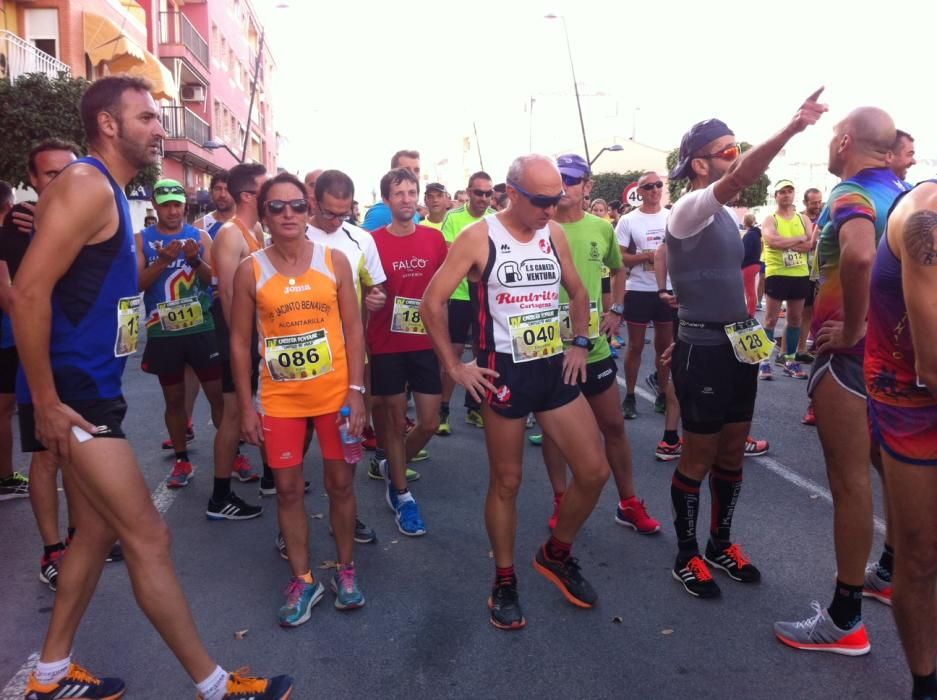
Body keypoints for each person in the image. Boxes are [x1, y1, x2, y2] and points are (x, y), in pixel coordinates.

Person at [13, 74, 291, 700]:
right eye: (145, 118)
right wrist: (48, 403)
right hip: (75, 395)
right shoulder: (85, 184)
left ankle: (50, 674)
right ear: (108, 124)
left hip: (90, 387)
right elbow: (28, 291)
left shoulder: (108, 189)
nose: (159, 128)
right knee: (149, 535)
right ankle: (216, 686)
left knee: (94, 534)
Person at [421, 154, 611, 631]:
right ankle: (504, 580)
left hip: (551, 363)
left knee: (594, 471)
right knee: (507, 482)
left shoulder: (554, 234)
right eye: (543, 200)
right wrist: (454, 366)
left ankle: (556, 553)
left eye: (558, 198)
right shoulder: (478, 237)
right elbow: (432, 301)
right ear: (513, 193)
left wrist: (582, 344)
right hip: (503, 371)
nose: (552, 207)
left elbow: (579, 293)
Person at [665, 89, 826, 600]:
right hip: (706, 351)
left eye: (738, 148)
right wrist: (791, 129)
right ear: (699, 163)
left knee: (732, 454)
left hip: (737, 346)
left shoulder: (730, 216)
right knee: (698, 456)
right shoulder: (690, 207)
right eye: (728, 150)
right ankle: (686, 554)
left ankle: (720, 544)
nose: (736, 158)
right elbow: (740, 179)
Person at [774, 106, 907, 655]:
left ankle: (845, 618)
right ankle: (890, 573)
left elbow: (857, 254)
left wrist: (852, 328)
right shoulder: (907, 193)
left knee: (850, 482)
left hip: (853, 360)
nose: (829, 148)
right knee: (890, 470)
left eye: (832, 139)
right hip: (899, 357)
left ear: (846, 141)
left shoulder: (849, 193)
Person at [232, 172, 367, 622]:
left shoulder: (335, 262)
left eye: (296, 206)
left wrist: (358, 392)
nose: (288, 214)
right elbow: (238, 343)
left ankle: (345, 570)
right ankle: (304, 579)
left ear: (308, 211)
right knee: (288, 491)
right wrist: (245, 405)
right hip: (280, 401)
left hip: (335, 397)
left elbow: (353, 330)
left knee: (341, 485)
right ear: (264, 214)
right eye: (276, 207)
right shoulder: (249, 268)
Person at [539, 154, 660, 535]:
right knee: (554, 434)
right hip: (548, 348)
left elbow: (618, 268)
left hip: (592, 346)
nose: (563, 188)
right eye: (557, 181)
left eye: (571, 181)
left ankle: (628, 502)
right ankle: (562, 498)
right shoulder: (537, 226)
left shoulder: (600, 227)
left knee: (613, 426)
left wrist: (618, 310)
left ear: (587, 186)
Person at [864, 181, 937, 698]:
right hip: (911, 395)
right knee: (921, 552)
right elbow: (932, 364)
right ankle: (926, 683)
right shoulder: (925, 221)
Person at [0, 140, 82, 592]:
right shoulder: (16, 226)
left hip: (82, 360)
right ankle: (52, 551)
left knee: (80, 453)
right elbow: (12, 297)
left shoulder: (82, 220)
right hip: (38, 359)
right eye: (50, 174)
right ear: (32, 180)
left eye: (68, 173)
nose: (60, 181)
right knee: (47, 454)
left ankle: (79, 538)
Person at [306, 170, 387, 539]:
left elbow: (377, 289)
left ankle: (347, 513)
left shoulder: (361, 239)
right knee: (299, 444)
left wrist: (376, 298)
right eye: (329, 213)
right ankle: (292, 523)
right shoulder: (292, 231)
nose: (337, 221)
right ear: (313, 201)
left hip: (346, 358)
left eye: (345, 213)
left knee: (347, 441)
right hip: (300, 356)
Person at [137, 179, 229, 497]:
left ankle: (234, 454)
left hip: (202, 329)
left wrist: (193, 260)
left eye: (177, 204)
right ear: (156, 206)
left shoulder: (199, 236)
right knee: (173, 400)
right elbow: (136, 283)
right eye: (166, 205)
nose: (173, 211)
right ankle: (181, 460)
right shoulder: (143, 240)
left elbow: (214, 279)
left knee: (218, 397)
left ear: (184, 206)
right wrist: (162, 261)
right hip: (163, 332)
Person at [368, 168, 448, 536]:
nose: (405, 198)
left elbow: (447, 282)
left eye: (410, 191)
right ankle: (401, 494)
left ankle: (392, 466)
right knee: (394, 422)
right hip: (386, 344)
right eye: (397, 193)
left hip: (425, 342)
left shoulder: (434, 239)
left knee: (429, 421)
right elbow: (358, 288)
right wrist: (370, 298)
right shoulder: (371, 242)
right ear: (386, 200)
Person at [207, 162, 270, 518]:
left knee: (262, 404)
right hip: (237, 334)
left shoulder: (256, 229)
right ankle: (219, 497)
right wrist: (241, 349)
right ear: (249, 195)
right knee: (233, 414)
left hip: (255, 335)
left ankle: (271, 475)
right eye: (266, 188)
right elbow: (229, 296)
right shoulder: (230, 234)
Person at [436, 171, 496, 434]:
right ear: (469, 192)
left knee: (484, 353)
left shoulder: (495, 219)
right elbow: (450, 255)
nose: (483, 198)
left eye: (488, 193)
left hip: (485, 295)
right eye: (478, 192)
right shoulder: (454, 217)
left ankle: (475, 407)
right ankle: (443, 410)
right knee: (456, 352)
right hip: (459, 294)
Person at [616, 171, 674, 417]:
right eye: (648, 186)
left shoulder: (673, 216)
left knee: (665, 346)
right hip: (639, 289)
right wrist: (646, 256)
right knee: (636, 345)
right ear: (639, 192)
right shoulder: (628, 220)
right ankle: (629, 395)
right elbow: (619, 258)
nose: (654, 189)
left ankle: (662, 392)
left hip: (668, 288)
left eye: (658, 185)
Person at [758, 180, 815, 380]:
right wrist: (798, 239)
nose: (786, 195)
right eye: (782, 191)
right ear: (776, 196)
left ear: (794, 195)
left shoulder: (803, 219)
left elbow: (810, 244)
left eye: (790, 191)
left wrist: (787, 243)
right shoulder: (770, 219)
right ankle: (764, 362)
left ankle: (789, 359)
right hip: (777, 273)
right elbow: (772, 241)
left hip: (799, 273)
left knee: (795, 319)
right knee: (771, 319)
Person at [361, 150, 422, 231]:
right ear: (393, 172)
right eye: (406, 170)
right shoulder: (379, 213)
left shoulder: (413, 211)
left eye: (417, 170)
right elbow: (362, 240)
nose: (413, 174)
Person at [194, 172, 235, 239]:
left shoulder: (250, 225)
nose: (222, 195)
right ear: (211, 192)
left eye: (228, 189)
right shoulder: (200, 226)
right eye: (218, 189)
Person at [741, 213, 762, 316]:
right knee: (750, 289)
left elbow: (744, 251)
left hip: (748, 265)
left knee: (749, 291)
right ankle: (750, 311)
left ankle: (750, 313)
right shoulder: (756, 235)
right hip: (755, 264)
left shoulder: (749, 235)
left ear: (745, 222)